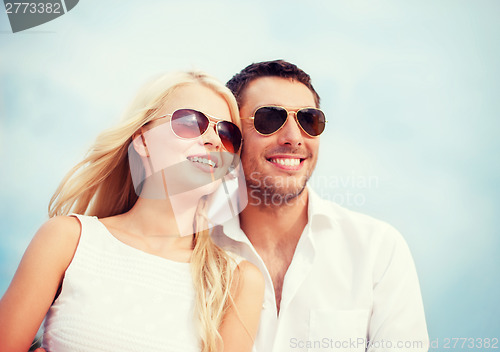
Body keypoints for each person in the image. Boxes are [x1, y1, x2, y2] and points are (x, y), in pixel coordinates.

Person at [0, 71, 264, 352]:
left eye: (226, 134)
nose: (213, 140)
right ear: (143, 140)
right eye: (190, 122)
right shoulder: (67, 240)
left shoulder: (237, 280)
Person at [210, 59, 429, 352]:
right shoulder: (194, 245)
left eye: (308, 120)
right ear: (231, 136)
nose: (293, 138)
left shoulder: (378, 250)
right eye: (269, 119)